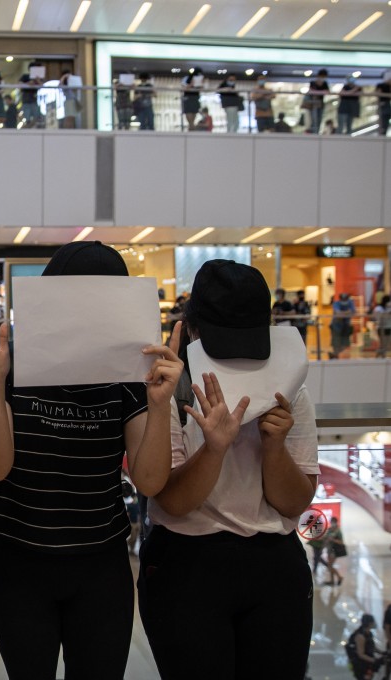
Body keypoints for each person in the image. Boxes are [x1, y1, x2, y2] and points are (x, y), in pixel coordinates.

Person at [0, 241, 182, 679]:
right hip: (21, 559)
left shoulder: (130, 374)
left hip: (101, 563)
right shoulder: (10, 365)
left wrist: (160, 405)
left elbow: (150, 481)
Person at [139, 259, 318, 680]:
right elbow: (172, 501)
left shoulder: (292, 390)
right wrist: (215, 449)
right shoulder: (171, 389)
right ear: (193, 329)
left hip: (274, 564)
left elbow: (295, 500)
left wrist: (274, 447)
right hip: (186, 562)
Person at [347, 614, 379, 680]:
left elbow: (371, 647)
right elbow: (361, 654)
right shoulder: (360, 636)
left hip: (367, 663)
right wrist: (374, 660)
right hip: (360, 665)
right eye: (373, 622)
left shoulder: (369, 634)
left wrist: (382, 652)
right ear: (370, 623)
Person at [330, 292, 356, 359]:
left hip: (346, 325)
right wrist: (347, 312)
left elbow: (353, 311)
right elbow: (338, 313)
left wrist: (342, 313)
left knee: (345, 343)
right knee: (336, 342)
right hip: (336, 326)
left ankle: (335, 354)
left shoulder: (350, 302)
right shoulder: (336, 303)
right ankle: (335, 355)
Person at [304, 69, 330, 135]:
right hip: (313, 103)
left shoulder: (325, 83)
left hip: (320, 103)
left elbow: (327, 92)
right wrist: (321, 92)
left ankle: (317, 132)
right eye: (322, 76)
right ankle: (313, 132)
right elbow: (310, 92)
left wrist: (316, 92)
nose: (323, 78)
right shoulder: (312, 83)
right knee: (314, 119)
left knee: (319, 119)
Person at [325, 515, 346, 586]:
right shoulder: (329, 529)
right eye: (332, 522)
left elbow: (341, 542)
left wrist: (333, 540)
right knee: (330, 565)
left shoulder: (338, 531)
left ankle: (339, 577)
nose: (332, 523)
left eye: (334, 522)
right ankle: (332, 581)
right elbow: (325, 538)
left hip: (334, 551)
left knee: (330, 565)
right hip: (329, 550)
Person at [374, 295, 391, 359]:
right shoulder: (378, 308)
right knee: (382, 344)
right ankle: (379, 356)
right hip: (381, 328)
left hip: (389, 327)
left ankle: (382, 356)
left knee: (387, 344)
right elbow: (377, 317)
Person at [377, 70, 391, 137]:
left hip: (388, 104)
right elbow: (378, 94)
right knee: (383, 121)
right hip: (384, 104)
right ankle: (382, 134)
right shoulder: (381, 85)